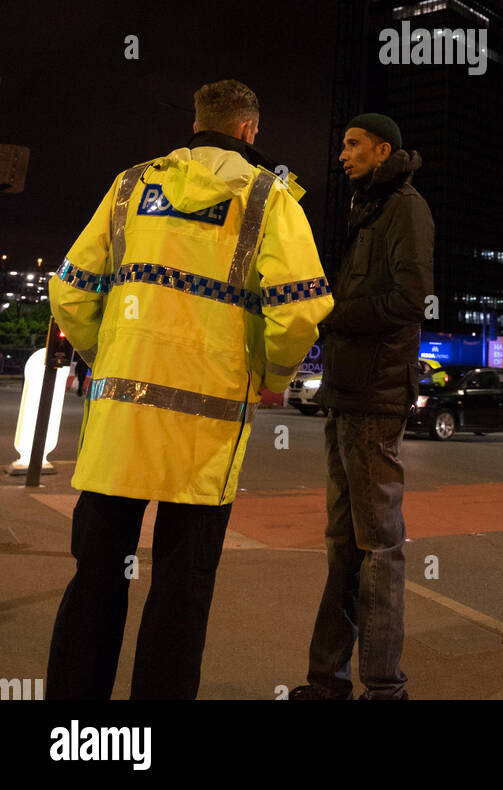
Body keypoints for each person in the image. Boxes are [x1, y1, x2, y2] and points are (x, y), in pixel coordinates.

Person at [45, 79, 333, 700]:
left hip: (118, 430)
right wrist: (270, 376)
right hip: (204, 442)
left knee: (95, 582)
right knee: (180, 595)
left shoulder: (128, 185)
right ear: (249, 131)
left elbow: (68, 290)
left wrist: (106, 356)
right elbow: (302, 311)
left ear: (197, 121)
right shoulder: (268, 197)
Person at [289, 113, 434, 701]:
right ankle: (327, 682)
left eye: (352, 145)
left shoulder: (404, 206)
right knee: (343, 544)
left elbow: (410, 296)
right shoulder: (366, 208)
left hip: (376, 396)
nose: (342, 154)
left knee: (379, 548)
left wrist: (332, 312)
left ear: (381, 150)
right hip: (348, 394)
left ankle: (383, 687)